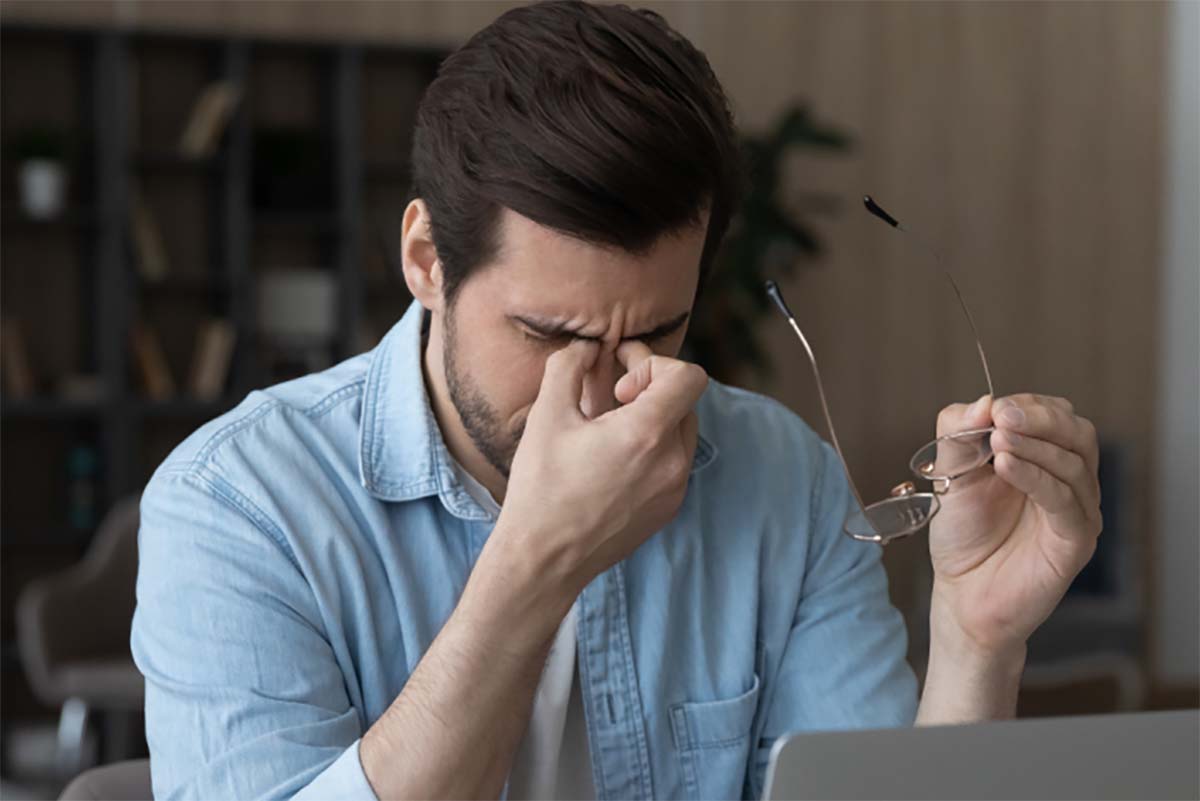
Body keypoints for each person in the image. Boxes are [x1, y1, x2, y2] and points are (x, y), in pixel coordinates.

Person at [131, 2, 1102, 799]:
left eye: (656, 332)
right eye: (549, 336)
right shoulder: (239, 504)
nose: (605, 390)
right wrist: (539, 561)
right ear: (427, 260)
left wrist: (977, 639)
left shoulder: (782, 479)